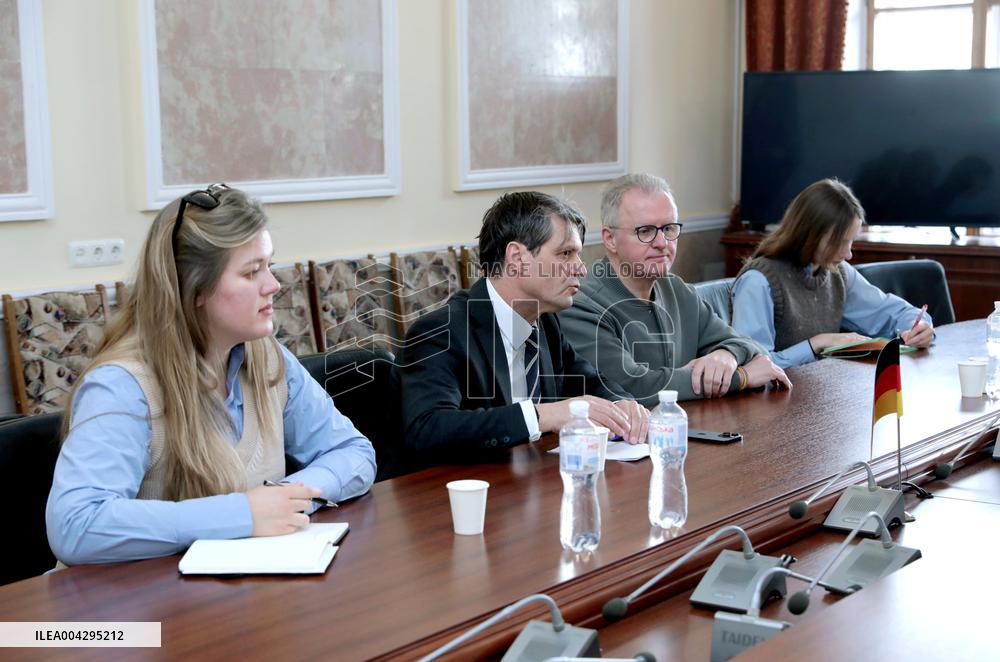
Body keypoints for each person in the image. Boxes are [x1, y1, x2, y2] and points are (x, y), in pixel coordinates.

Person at [46, 184, 376, 565]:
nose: (274, 285)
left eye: (269, 265)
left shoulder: (269, 359)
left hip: (228, 602)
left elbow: (354, 453)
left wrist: (289, 498)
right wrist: (242, 515)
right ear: (195, 290)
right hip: (123, 616)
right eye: (252, 272)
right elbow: (75, 525)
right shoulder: (123, 385)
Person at [398, 191, 649, 458]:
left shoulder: (545, 322)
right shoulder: (440, 332)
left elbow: (588, 381)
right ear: (517, 257)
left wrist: (621, 403)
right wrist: (544, 416)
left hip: (533, 482)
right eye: (565, 254)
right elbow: (428, 428)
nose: (581, 269)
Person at [560, 173, 791, 406]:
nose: (662, 243)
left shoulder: (677, 289)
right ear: (610, 239)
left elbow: (750, 346)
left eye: (669, 229)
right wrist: (740, 377)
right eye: (646, 231)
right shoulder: (578, 302)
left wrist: (726, 355)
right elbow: (633, 387)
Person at [731, 178, 934, 369]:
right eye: (838, 242)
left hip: (822, 393)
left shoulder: (838, 273)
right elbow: (753, 366)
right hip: (771, 403)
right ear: (808, 235)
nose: (848, 254)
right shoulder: (758, 282)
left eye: (850, 241)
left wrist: (920, 327)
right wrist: (817, 344)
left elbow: (896, 314)